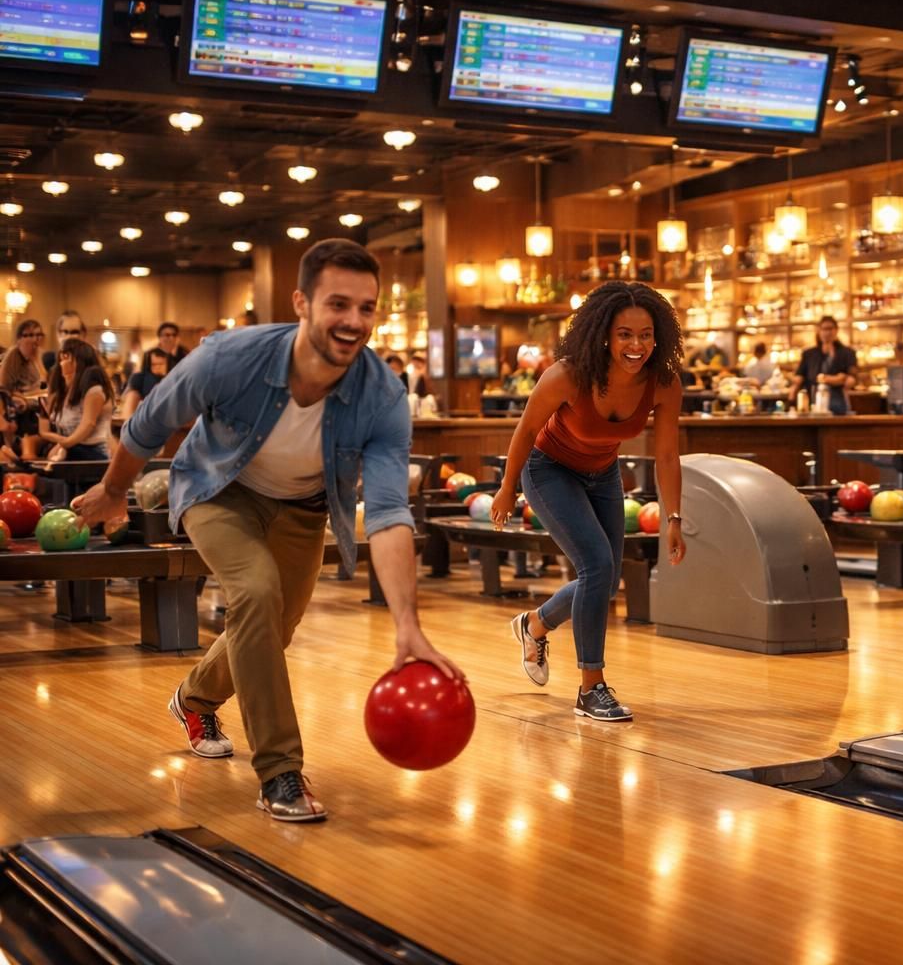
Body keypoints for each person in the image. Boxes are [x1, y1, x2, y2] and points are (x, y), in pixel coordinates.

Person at [71, 238, 462, 823]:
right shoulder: (230, 357)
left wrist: (407, 626)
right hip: (218, 490)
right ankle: (280, 770)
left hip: (304, 509)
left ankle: (194, 698)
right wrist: (113, 489)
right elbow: (150, 422)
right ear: (302, 303)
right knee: (254, 591)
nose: (353, 321)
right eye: (338, 304)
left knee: (274, 626)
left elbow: (386, 513)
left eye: (366, 308)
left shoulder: (381, 395)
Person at [490, 281, 686, 723]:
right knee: (598, 567)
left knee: (604, 575)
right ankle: (590, 687)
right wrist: (507, 487)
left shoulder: (664, 384)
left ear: (658, 338)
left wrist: (673, 516)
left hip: (603, 475)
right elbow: (524, 431)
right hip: (547, 470)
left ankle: (535, 625)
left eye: (645, 335)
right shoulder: (568, 374)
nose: (636, 345)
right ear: (604, 334)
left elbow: (668, 455)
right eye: (624, 334)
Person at [39, 338, 112, 461]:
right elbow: (46, 430)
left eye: (66, 358)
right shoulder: (63, 392)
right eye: (61, 359)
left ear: (79, 362)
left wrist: (64, 444)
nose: (62, 364)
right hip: (71, 448)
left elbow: (88, 424)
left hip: (93, 451)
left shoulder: (94, 390)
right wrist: (62, 444)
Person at [790, 316, 857, 415]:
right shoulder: (809, 354)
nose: (827, 333)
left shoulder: (848, 353)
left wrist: (842, 379)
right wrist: (792, 392)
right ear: (819, 331)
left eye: (830, 329)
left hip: (838, 401)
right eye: (824, 329)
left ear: (836, 330)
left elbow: (851, 378)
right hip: (813, 400)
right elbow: (799, 377)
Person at [0, 319, 48, 458]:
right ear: (19, 339)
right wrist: (22, 398)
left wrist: (36, 360)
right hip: (21, 412)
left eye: (38, 335)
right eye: (29, 335)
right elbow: (4, 390)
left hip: (38, 406)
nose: (34, 340)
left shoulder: (38, 357)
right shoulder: (12, 357)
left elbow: (45, 385)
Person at [120, 346, 174, 418]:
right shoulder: (140, 378)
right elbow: (129, 406)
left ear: (167, 364)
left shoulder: (174, 378)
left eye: (161, 364)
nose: (157, 367)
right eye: (154, 364)